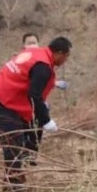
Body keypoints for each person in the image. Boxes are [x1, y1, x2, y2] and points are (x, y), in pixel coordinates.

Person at [0, 37, 72, 192]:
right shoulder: (43, 67)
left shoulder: (34, 53)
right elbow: (34, 94)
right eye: (66, 56)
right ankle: (13, 184)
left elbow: (25, 77)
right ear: (59, 53)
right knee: (13, 143)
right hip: (4, 103)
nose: (66, 60)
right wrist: (46, 120)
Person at [21, 33, 68, 163]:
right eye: (29, 43)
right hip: (23, 103)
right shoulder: (22, 59)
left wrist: (55, 83)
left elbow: (41, 82)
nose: (32, 45)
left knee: (37, 129)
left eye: (34, 42)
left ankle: (31, 156)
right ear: (23, 45)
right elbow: (31, 87)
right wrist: (46, 119)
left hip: (36, 101)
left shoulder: (42, 61)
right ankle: (22, 157)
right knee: (25, 129)